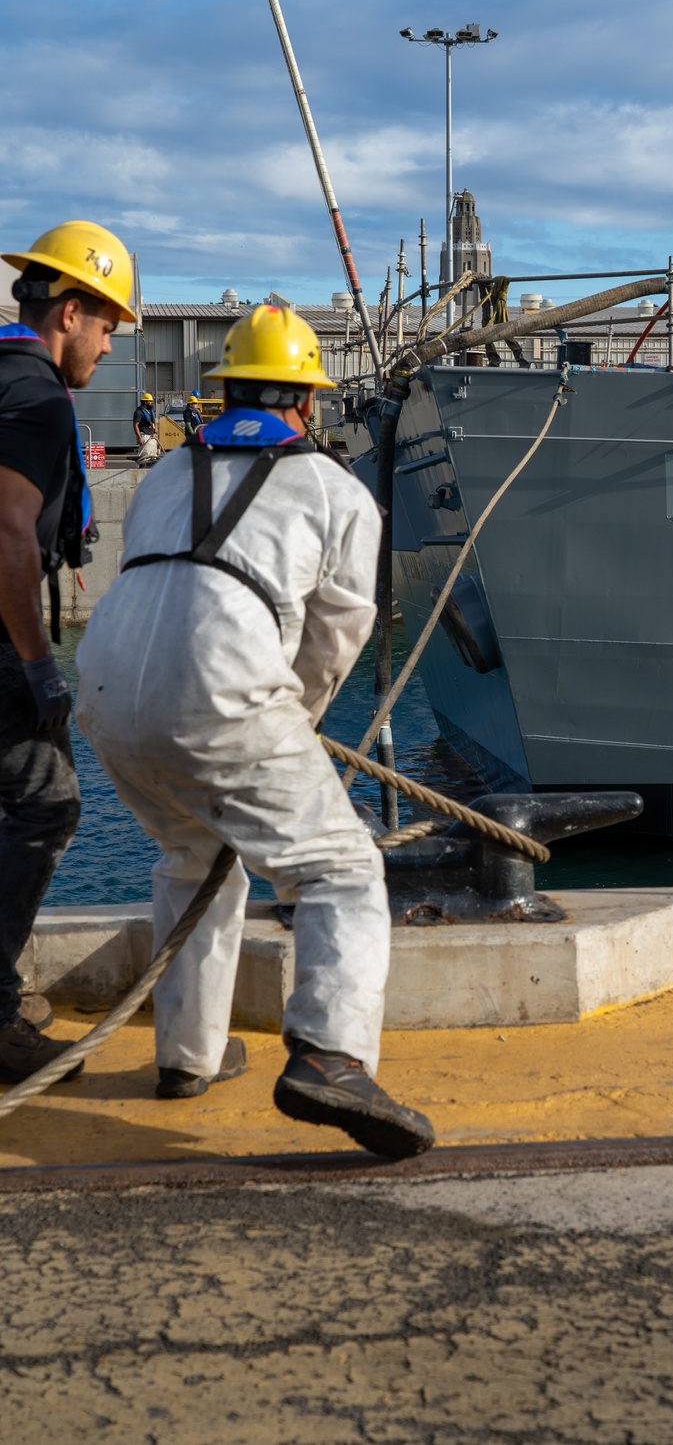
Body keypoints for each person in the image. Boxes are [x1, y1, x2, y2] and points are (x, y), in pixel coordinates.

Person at [76, 305, 434, 1159]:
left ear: (226, 391)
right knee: (341, 872)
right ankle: (330, 1055)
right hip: (223, 687)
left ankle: (187, 1056)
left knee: (192, 857)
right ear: (306, 405)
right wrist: (292, 731)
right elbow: (335, 638)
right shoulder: (335, 491)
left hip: (105, 684)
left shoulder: (165, 473)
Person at [0, 219, 136, 1081]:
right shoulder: (37, 397)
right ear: (71, 311)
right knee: (45, 807)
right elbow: (9, 534)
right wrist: (40, 663)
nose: (109, 347)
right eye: (109, 327)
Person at [133, 391, 159, 466]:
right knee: (144, 458)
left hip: (152, 437)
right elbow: (135, 425)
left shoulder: (151, 411)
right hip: (144, 436)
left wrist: (155, 432)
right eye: (150, 401)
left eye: (152, 401)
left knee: (153, 459)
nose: (151, 403)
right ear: (145, 402)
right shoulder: (138, 412)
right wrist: (139, 437)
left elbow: (155, 422)